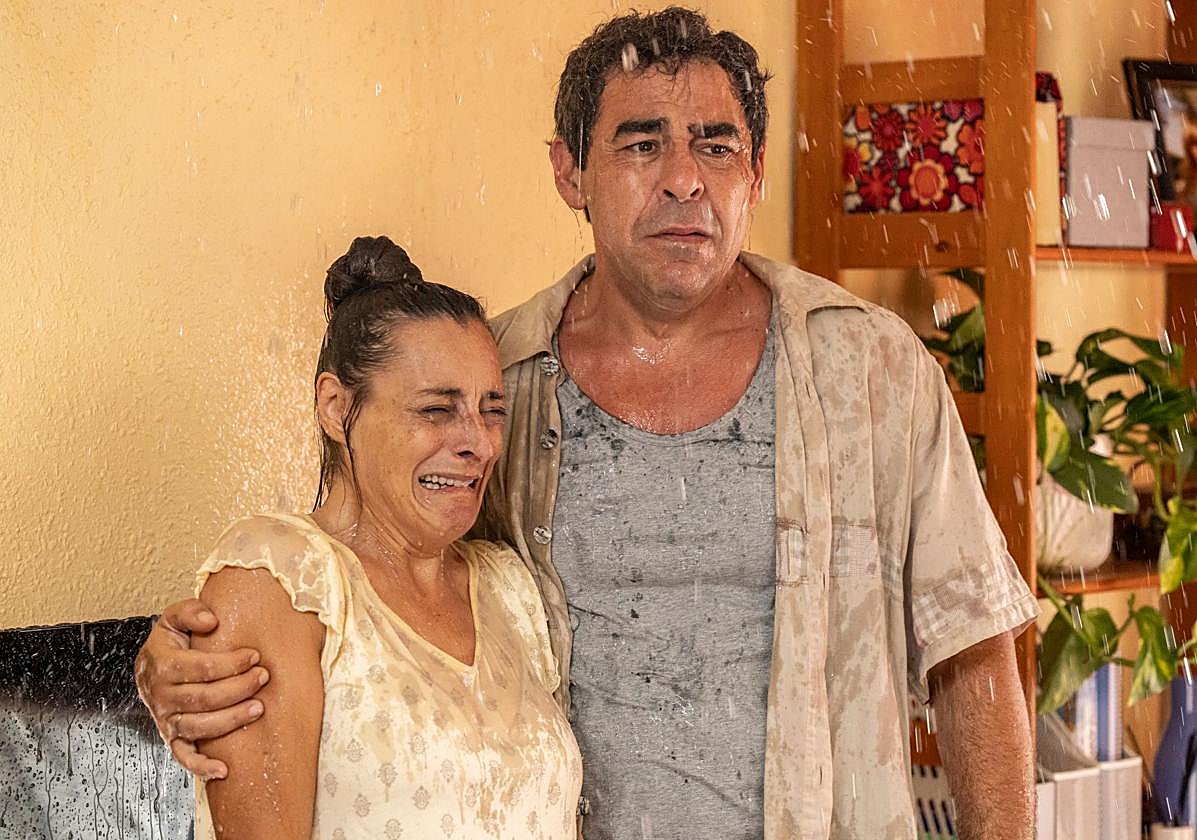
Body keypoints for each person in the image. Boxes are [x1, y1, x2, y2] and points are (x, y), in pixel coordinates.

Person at [136, 8, 1038, 839]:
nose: (683, 179)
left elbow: (971, 647)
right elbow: (369, 571)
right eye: (641, 144)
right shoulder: (499, 380)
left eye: (716, 145)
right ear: (570, 172)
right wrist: (189, 655)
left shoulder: (870, 371)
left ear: (755, 172)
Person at [183, 236, 581, 838]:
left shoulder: (507, 587)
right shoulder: (280, 579)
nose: (479, 442)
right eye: (436, 409)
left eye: (492, 409)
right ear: (336, 406)